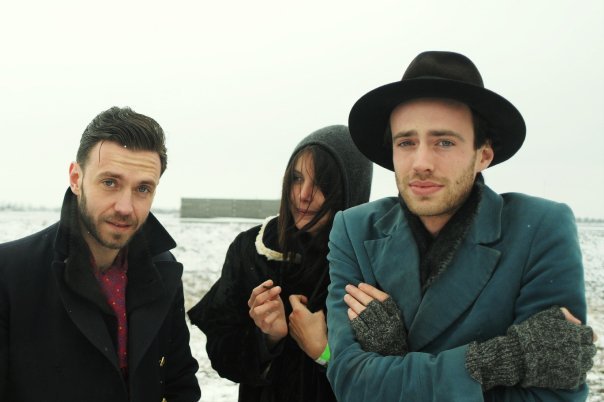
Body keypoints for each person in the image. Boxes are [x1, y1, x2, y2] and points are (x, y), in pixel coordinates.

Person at [325, 51, 597, 401]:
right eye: (406, 142)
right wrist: (496, 361)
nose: (421, 162)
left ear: (483, 154)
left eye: (444, 142)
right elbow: (350, 381)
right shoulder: (354, 230)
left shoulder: (540, 228)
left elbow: (553, 397)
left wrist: (395, 361)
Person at [0, 107, 201, 402]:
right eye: (110, 183)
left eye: (143, 188)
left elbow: (178, 381)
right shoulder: (11, 273)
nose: (125, 207)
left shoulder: (162, 269)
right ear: (76, 178)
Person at [188, 125, 372, 402]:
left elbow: (389, 379)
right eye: (297, 178)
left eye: (322, 182)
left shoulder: (370, 261)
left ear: (351, 189)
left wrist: (324, 351)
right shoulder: (253, 250)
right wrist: (266, 339)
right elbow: (223, 355)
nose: (304, 194)